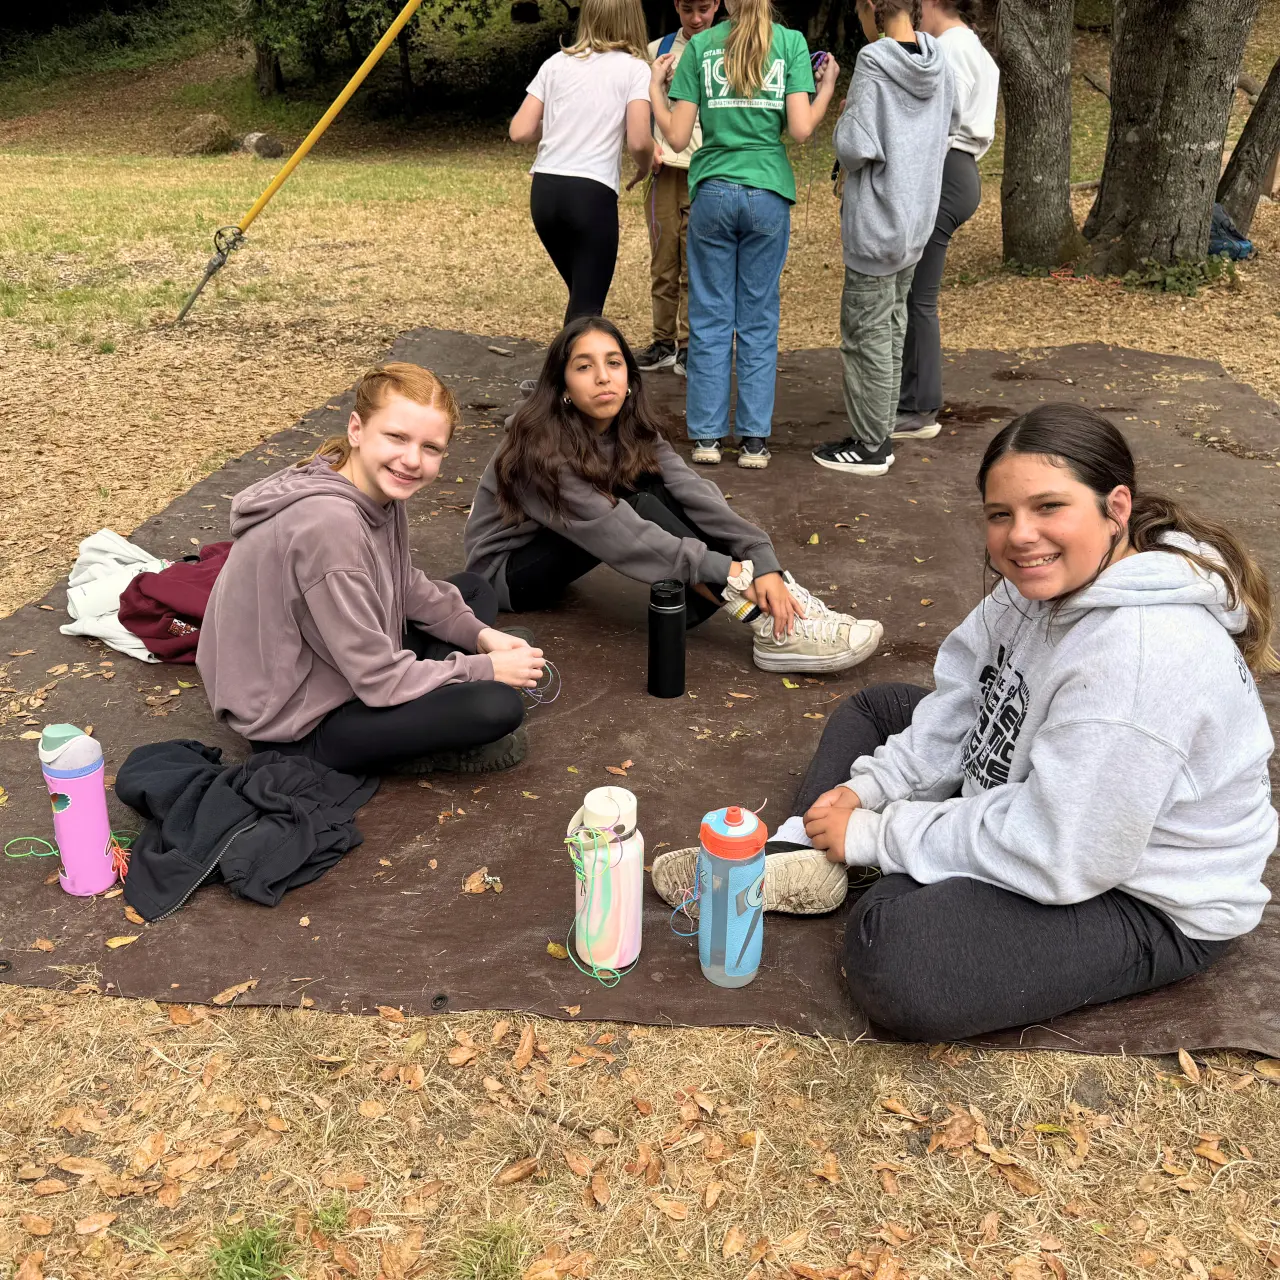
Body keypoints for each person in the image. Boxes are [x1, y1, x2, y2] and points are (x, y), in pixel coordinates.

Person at [658, 405, 1278, 1040]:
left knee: (899, 953)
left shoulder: (1138, 659)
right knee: (876, 711)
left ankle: (847, 861)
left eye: (1049, 507)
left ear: (1115, 508)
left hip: (1135, 892)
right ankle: (805, 849)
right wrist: (865, 790)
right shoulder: (1040, 580)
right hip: (1048, 799)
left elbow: (1060, 850)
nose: (1021, 536)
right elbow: (967, 698)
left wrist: (880, 833)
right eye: (1001, 515)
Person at [464, 316, 883, 674]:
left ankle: (787, 603)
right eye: (584, 367)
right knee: (638, 506)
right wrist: (729, 570)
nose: (603, 377)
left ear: (629, 376)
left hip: (570, 537)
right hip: (507, 575)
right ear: (562, 387)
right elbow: (619, 531)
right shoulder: (539, 450)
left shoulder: (632, 428)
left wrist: (761, 557)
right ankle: (771, 626)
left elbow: (695, 493)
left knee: (660, 488)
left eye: (613, 363)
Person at [198, 363, 546, 776]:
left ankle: (443, 690)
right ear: (357, 430)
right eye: (396, 437)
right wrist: (483, 668)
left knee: (473, 592)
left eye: (430, 448)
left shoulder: (369, 484)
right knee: (496, 706)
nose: (412, 460)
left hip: (336, 661)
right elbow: (377, 679)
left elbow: (402, 582)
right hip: (295, 723)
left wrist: (481, 635)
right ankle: (424, 745)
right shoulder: (329, 526)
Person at [650, 0, 840, 469]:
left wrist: (656, 88)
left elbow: (676, 137)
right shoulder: (790, 43)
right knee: (758, 318)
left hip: (712, 190)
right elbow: (799, 129)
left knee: (710, 317)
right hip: (768, 190)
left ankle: (707, 439)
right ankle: (754, 440)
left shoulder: (703, 45)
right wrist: (828, 88)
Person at [811, 0, 954, 478]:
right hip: (914, 220)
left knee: (866, 334)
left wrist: (847, 113)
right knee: (890, 328)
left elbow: (855, 147)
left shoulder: (874, 62)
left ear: (873, 7)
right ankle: (879, 428)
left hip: (876, 223)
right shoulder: (937, 61)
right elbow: (946, 131)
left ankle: (871, 445)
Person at [510, 0, 654, 324]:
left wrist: (564, 123)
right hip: (590, 194)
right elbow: (640, 141)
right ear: (633, 19)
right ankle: (557, 376)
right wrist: (645, 166)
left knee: (581, 301)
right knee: (587, 310)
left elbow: (520, 131)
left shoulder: (556, 63)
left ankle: (559, 373)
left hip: (545, 193)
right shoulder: (635, 69)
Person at [893, 0, 999, 441]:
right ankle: (913, 399)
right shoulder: (967, 44)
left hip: (947, 170)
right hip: (961, 168)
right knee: (920, 293)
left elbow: (940, 117)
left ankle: (919, 407)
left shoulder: (950, 47)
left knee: (919, 295)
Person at [635, 0, 721, 378]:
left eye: (704, 8)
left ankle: (690, 344)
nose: (697, 18)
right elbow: (638, 109)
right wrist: (646, 144)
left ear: (718, 5)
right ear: (676, 7)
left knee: (696, 264)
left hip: (707, 171)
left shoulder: (725, 49)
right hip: (665, 171)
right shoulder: (658, 50)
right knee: (664, 261)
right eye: (688, 10)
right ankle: (663, 341)